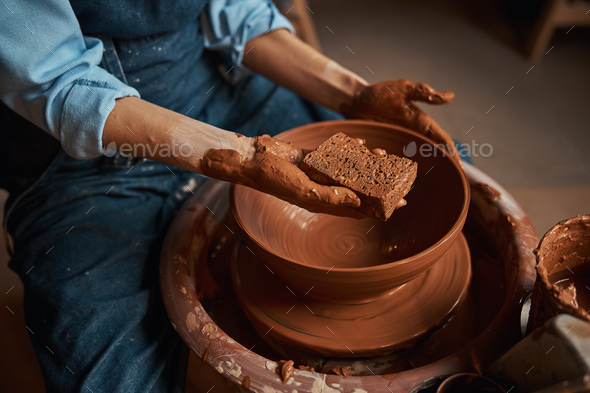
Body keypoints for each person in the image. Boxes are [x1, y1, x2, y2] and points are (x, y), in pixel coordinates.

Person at [1, 0, 456, 391]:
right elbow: (58, 83)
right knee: (111, 377)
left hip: (222, 89)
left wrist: (354, 94)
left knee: (447, 166)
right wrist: (241, 158)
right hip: (81, 160)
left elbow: (234, 9)